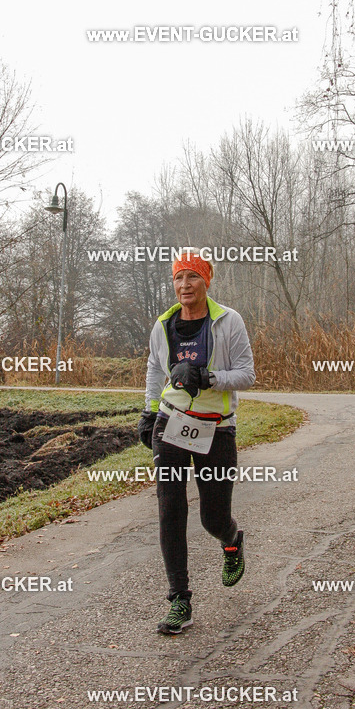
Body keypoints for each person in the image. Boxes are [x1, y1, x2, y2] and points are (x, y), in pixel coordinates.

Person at [138, 249, 256, 635]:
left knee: (212, 517)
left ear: (207, 281)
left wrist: (208, 378)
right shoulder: (163, 325)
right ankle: (179, 600)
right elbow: (155, 371)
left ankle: (232, 538)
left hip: (216, 428)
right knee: (170, 508)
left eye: (192, 277)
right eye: (178, 278)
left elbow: (246, 374)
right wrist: (149, 411)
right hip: (171, 425)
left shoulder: (228, 321)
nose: (184, 286)